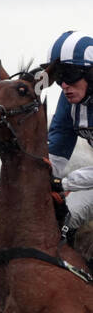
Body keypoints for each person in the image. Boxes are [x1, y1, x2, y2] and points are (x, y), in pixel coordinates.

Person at [44, 31, 93, 257]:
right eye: (58, 77)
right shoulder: (68, 101)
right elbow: (55, 154)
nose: (63, 85)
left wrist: (64, 183)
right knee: (58, 216)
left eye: (70, 75)